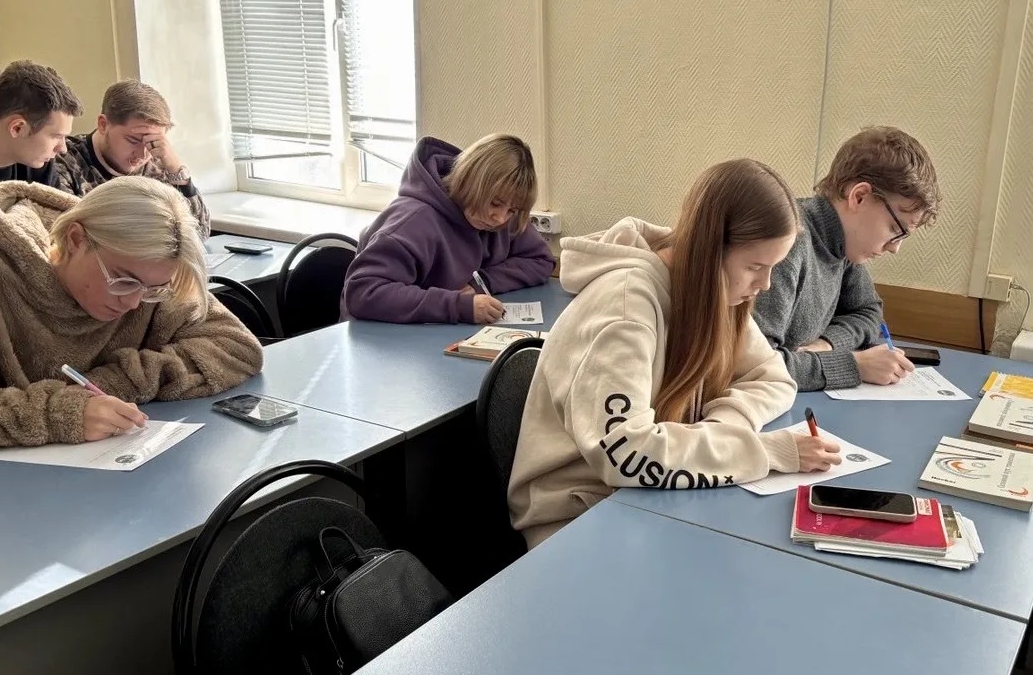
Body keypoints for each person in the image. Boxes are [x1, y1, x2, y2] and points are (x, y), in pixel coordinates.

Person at [508, 159, 842, 549]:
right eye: (755, 266)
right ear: (711, 251)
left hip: (647, 500)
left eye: (772, 267)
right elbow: (629, 454)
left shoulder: (714, 292)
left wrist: (725, 428)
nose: (765, 284)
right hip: (576, 520)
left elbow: (773, 377)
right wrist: (763, 451)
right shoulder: (624, 309)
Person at [0, 176, 263, 449]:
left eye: (154, 289)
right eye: (123, 281)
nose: (133, 303)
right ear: (76, 239)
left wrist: (115, 383)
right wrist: (60, 414)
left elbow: (237, 348)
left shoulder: (148, 275)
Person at [753, 126, 940, 392]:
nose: (894, 248)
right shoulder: (787, 243)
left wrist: (828, 345)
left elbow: (869, 312)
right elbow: (758, 366)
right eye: (895, 229)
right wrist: (855, 365)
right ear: (859, 197)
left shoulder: (845, 246)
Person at [341, 133, 556, 324]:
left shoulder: (501, 214)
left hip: (436, 332)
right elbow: (363, 292)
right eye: (495, 203)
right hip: (378, 339)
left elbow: (541, 260)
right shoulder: (413, 221)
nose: (500, 218)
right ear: (472, 183)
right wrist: (458, 306)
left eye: (512, 210)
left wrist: (481, 282)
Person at [55, 79, 210, 237]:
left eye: (152, 142)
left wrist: (176, 170)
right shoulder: (62, 160)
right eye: (133, 140)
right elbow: (67, 239)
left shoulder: (158, 164)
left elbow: (199, 234)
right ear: (103, 125)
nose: (142, 155)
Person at [0, 59, 82, 192]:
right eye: (56, 136)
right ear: (17, 128)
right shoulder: (35, 156)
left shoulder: (38, 163)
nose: (63, 149)